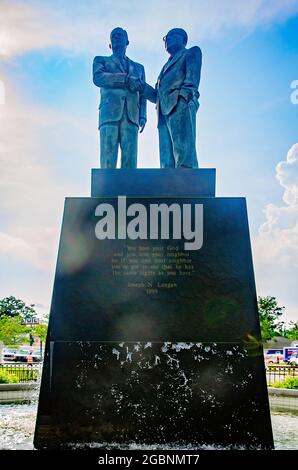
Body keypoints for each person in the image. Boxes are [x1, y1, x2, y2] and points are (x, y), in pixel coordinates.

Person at [142, 28, 202, 168]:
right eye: (165, 37)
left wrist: (184, 98)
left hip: (180, 103)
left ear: (183, 39)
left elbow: (192, 79)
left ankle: (187, 175)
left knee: (183, 150)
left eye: (171, 35)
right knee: (166, 156)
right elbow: (157, 95)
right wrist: (142, 87)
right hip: (163, 111)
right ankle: (167, 177)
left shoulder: (191, 52)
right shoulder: (164, 68)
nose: (167, 39)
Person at [93, 27, 147, 168]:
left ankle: (129, 190)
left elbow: (142, 93)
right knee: (107, 159)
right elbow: (98, 78)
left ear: (127, 42)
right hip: (109, 113)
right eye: (113, 36)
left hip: (131, 115)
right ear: (110, 44)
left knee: (130, 160)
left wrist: (143, 115)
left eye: (120, 35)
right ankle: (106, 190)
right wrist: (125, 79)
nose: (117, 37)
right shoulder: (101, 61)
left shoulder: (139, 67)